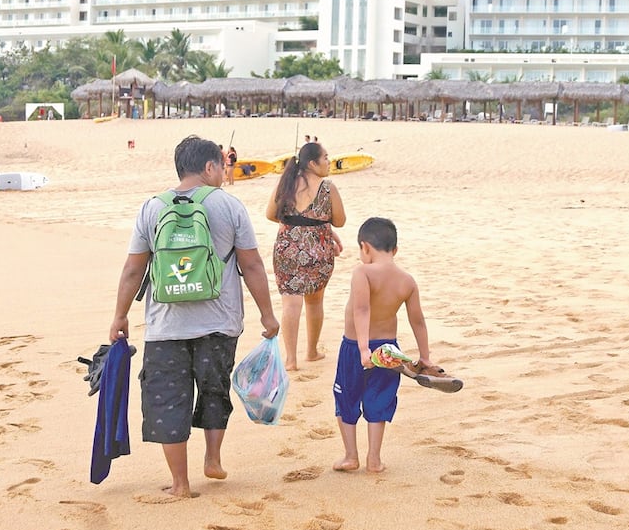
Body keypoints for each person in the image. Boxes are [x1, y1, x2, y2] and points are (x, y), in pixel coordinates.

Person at [108, 135, 279, 499]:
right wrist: (267, 314)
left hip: (165, 326)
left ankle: (180, 484)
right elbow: (251, 264)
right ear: (208, 167)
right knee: (214, 390)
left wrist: (120, 315)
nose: (222, 171)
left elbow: (132, 270)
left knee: (168, 399)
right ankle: (213, 458)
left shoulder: (152, 208)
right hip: (219, 323)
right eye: (220, 165)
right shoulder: (230, 207)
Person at [333, 217, 432, 474]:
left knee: (347, 397)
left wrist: (364, 349)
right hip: (389, 350)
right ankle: (374, 459)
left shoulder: (362, 272)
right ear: (395, 249)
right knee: (379, 399)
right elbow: (417, 320)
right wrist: (425, 357)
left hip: (356, 347)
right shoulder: (407, 281)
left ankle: (350, 456)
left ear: (365, 247)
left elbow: (362, 309)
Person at [265, 142, 346, 371]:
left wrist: (296, 225)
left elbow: (271, 214)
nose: (329, 162)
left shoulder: (286, 183)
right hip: (318, 249)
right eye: (326, 158)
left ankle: (290, 360)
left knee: (291, 303)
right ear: (313, 163)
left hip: (286, 248)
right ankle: (311, 351)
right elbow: (339, 220)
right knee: (315, 300)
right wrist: (318, 226)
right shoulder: (328, 187)